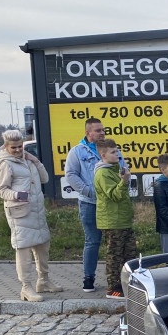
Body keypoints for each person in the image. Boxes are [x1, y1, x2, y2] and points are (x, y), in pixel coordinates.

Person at [0, 129, 61, 302]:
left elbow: (45, 179)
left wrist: (36, 161)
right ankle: (26, 287)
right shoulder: (6, 164)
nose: (18, 150)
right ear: (6, 147)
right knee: (24, 250)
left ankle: (44, 281)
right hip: (20, 212)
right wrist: (17, 195)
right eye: (14, 148)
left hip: (37, 210)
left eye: (20, 147)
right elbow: (2, 190)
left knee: (43, 245)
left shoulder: (28, 160)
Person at [64, 117, 112, 292]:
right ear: (88, 133)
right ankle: (88, 277)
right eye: (98, 130)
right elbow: (70, 174)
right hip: (89, 203)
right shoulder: (77, 152)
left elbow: (123, 167)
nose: (102, 132)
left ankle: (114, 279)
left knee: (113, 242)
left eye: (103, 129)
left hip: (110, 204)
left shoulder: (111, 149)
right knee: (92, 241)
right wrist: (88, 191)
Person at [93, 139, 135, 299]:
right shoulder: (103, 173)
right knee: (115, 255)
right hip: (112, 221)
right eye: (113, 152)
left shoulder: (117, 168)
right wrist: (124, 182)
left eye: (117, 151)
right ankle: (113, 287)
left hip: (123, 220)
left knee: (129, 254)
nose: (117, 154)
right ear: (103, 155)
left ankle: (128, 284)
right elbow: (115, 196)